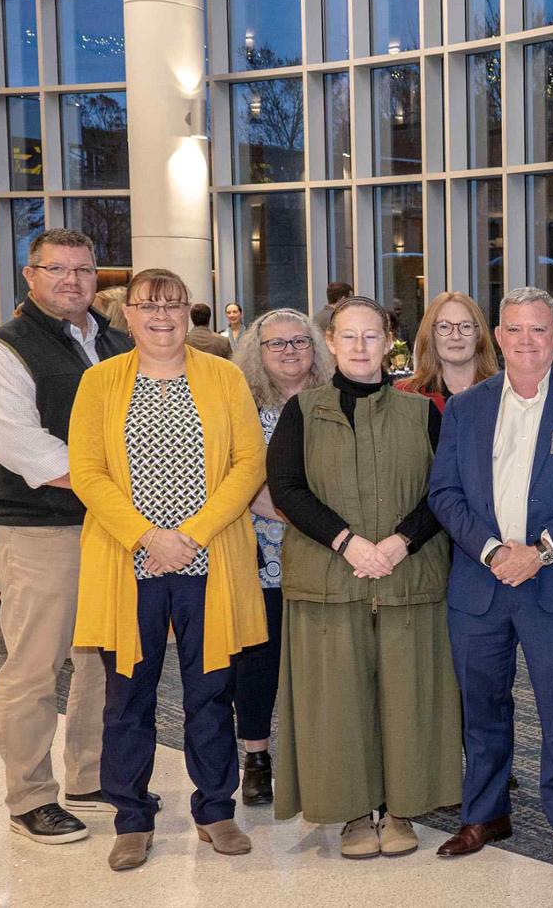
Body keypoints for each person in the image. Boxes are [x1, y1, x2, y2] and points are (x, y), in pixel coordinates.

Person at [68, 267, 269, 871]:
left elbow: (247, 463)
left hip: (208, 560)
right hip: (129, 562)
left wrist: (191, 535)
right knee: (128, 695)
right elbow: (88, 472)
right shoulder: (100, 382)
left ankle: (216, 810)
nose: (161, 316)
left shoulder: (224, 376)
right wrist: (146, 536)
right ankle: (131, 818)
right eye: (148, 306)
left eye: (173, 305)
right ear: (126, 315)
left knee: (211, 691)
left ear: (189, 313)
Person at [266, 296, 460, 859]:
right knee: (337, 700)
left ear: (389, 341)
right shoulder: (302, 412)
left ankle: (401, 810)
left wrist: (400, 542)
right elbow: (287, 490)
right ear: (330, 342)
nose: (359, 347)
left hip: (409, 578)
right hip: (329, 578)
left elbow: (443, 492)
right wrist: (348, 541)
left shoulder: (421, 412)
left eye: (370, 336)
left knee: (408, 698)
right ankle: (352, 814)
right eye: (347, 336)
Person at [427, 287, 553, 869]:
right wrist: (490, 552)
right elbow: (444, 493)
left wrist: (540, 551)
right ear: (498, 337)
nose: (526, 341)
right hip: (480, 585)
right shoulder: (466, 407)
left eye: (539, 330)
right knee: (481, 705)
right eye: (514, 329)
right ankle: (485, 814)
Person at [0, 229, 132, 844]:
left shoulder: (115, 341)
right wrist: (117, 488)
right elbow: (22, 446)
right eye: (56, 269)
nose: (72, 280)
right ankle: (29, 796)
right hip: (37, 529)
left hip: (108, 530)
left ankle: (88, 776)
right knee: (35, 667)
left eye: (84, 270)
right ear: (29, 275)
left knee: (98, 662)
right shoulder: (3, 351)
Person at [228, 309, 332, 809]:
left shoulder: (330, 402)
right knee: (259, 659)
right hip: (262, 551)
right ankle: (257, 758)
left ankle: (321, 757)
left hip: (329, 552)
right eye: (277, 344)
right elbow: (238, 480)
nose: (290, 351)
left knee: (323, 659)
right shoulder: (242, 406)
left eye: (299, 341)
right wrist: (303, 521)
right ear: (257, 352)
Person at [398, 291, 499, 413]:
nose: (456, 336)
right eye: (444, 326)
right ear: (431, 335)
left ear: (479, 334)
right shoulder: (405, 395)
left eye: (466, 326)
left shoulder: (503, 392)